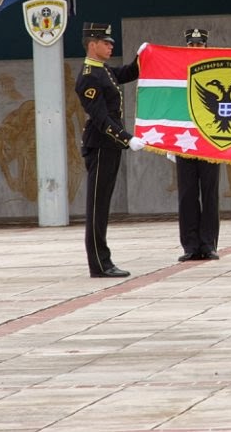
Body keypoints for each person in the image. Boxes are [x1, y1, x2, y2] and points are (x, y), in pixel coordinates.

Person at [75, 22, 147, 278]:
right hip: (101, 145)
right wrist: (127, 138)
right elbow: (101, 119)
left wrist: (143, 57)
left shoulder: (102, 70)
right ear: (92, 45)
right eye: (106, 43)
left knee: (102, 204)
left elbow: (126, 73)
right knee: (97, 206)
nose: (110, 46)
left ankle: (103, 261)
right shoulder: (88, 77)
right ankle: (99, 264)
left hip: (109, 146)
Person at [172, 28, 222, 262]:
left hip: (210, 139)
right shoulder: (178, 72)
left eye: (199, 45)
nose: (195, 49)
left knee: (210, 193)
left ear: (206, 46)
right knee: (187, 193)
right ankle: (190, 245)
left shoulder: (216, 72)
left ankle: (209, 243)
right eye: (191, 45)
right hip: (184, 140)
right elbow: (170, 106)